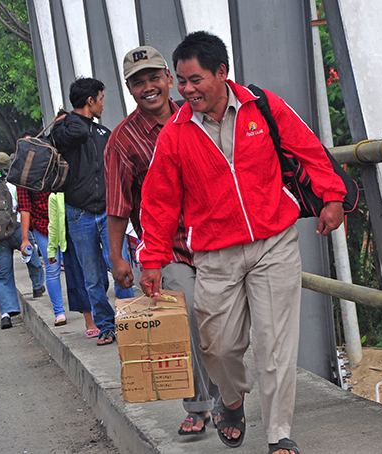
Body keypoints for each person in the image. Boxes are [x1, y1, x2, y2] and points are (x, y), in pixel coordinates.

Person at [137, 32, 346, 452]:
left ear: (221, 73)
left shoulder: (262, 107)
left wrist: (333, 197)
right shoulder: (176, 135)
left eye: (195, 80)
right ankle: (231, 400)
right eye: (181, 80)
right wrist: (152, 258)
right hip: (215, 255)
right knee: (217, 347)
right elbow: (158, 201)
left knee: (275, 345)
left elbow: (308, 149)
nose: (187, 90)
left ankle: (279, 435)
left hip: (274, 243)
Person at [105, 45, 221, 436]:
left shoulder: (200, 115)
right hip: (167, 248)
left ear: (170, 79)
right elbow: (118, 205)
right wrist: (117, 257)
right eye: (138, 82)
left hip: (216, 238)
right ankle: (204, 405)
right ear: (130, 90)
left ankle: (225, 397)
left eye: (154, 77)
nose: (149, 87)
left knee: (219, 324)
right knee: (189, 321)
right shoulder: (123, 140)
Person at [50, 77, 134, 346]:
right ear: (90, 101)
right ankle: (106, 326)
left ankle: (130, 321)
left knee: (121, 269)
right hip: (79, 213)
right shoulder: (66, 131)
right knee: (92, 277)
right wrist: (71, 117)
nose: (103, 103)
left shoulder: (103, 133)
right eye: (100, 98)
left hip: (109, 212)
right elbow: (77, 133)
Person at [0, 152, 46, 329]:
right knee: (32, 258)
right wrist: (24, 237)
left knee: (1, 274)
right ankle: (37, 286)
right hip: (17, 228)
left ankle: (6, 313)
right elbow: (24, 209)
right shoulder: (17, 183)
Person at [15, 156, 66, 325]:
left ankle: (81, 310)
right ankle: (59, 312)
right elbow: (25, 208)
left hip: (63, 223)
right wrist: (24, 239)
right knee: (53, 269)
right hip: (46, 227)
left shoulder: (57, 166)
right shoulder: (25, 177)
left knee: (68, 267)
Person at [47, 192, 100, 336]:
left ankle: (102, 316)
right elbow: (54, 224)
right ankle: (90, 322)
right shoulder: (55, 196)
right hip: (70, 243)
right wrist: (52, 250)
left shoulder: (86, 186)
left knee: (99, 279)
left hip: (92, 239)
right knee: (78, 282)